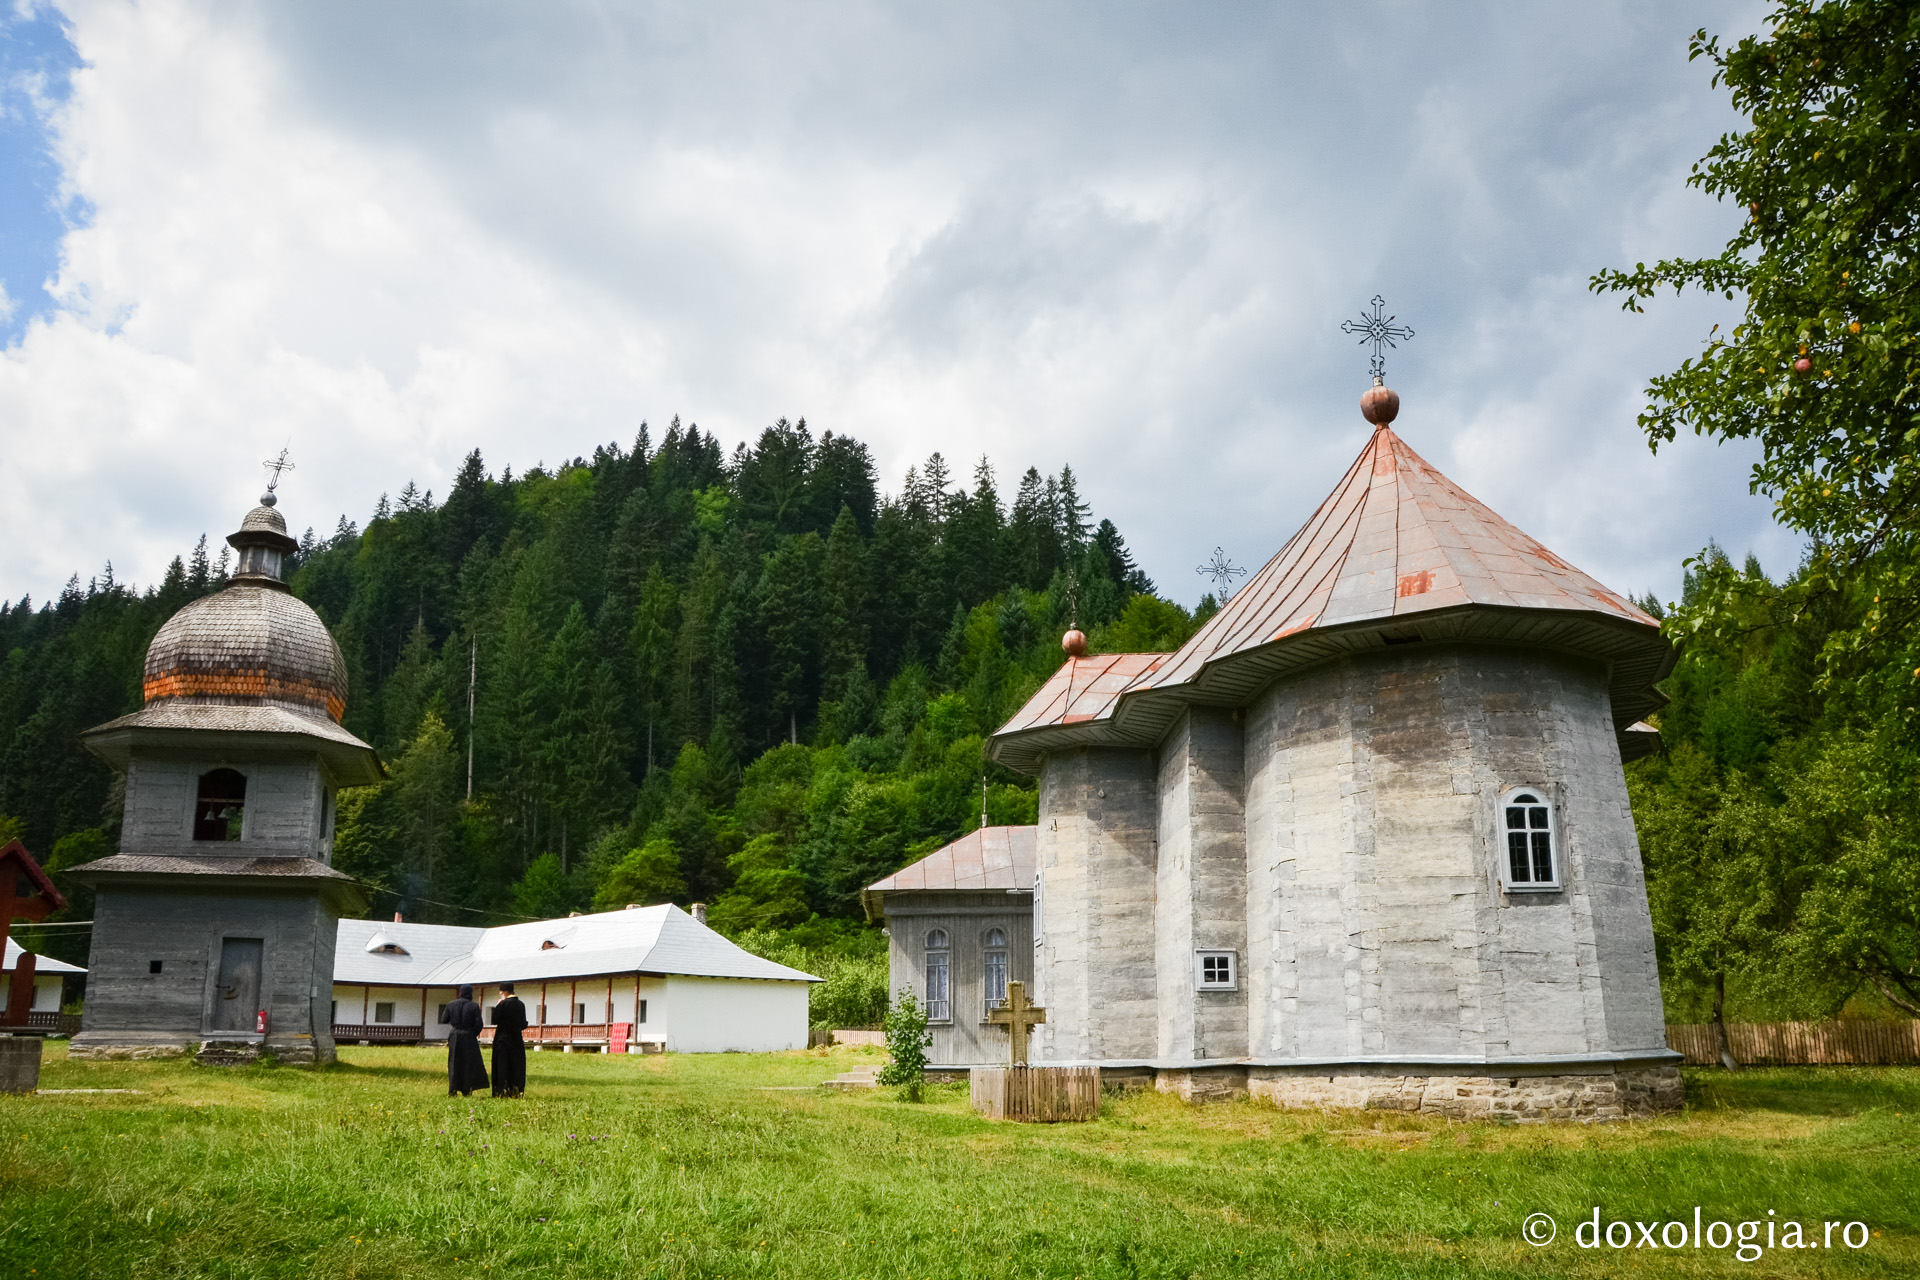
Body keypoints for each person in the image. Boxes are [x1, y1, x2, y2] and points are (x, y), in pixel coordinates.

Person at [443, 984, 489, 1097]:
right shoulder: (473, 1006)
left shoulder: (451, 1004)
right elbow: (479, 1024)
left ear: (460, 992)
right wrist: (472, 1034)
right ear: (470, 993)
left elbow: (444, 1019)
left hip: (455, 1035)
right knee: (468, 1063)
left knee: (454, 1062)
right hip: (469, 1036)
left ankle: (452, 1089)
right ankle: (466, 1089)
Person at [490, 982, 528, 1098]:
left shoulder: (503, 1004)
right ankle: (516, 1090)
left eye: (501, 991)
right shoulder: (521, 1004)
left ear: (505, 992)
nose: (500, 993)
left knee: (502, 1065)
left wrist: (498, 1006)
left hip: (503, 1039)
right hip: (516, 1039)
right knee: (516, 1065)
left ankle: (502, 1089)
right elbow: (523, 1023)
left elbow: (495, 1020)